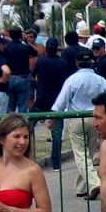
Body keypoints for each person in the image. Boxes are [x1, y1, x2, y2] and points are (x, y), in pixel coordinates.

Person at [51, 48, 106, 198]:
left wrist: (52, 118)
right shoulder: (100, 80)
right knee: (87, 153)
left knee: (81, 155)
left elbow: (60, 103)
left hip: (76, 118)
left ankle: (95, 183)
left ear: (77, 63)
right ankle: (82, 187)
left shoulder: (72, 80)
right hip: (95, 118)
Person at [32, 38, 68, 170]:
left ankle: (28, 157)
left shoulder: (41, 61)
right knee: (57, 133)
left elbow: (34, 74)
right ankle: (56, 163)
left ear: (46, 48)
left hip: (41, 99)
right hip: (57, 101)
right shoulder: (62, 63)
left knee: (29, 126)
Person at [3, 27, 37, 114]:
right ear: (21, 35)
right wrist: (25, 41)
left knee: (10, 106)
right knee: (23, 106)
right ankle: (22, 125)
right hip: (23, 77)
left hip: (10, 78)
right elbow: (35, 53)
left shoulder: (6, 48)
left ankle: (10, 125)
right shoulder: (24, 47)